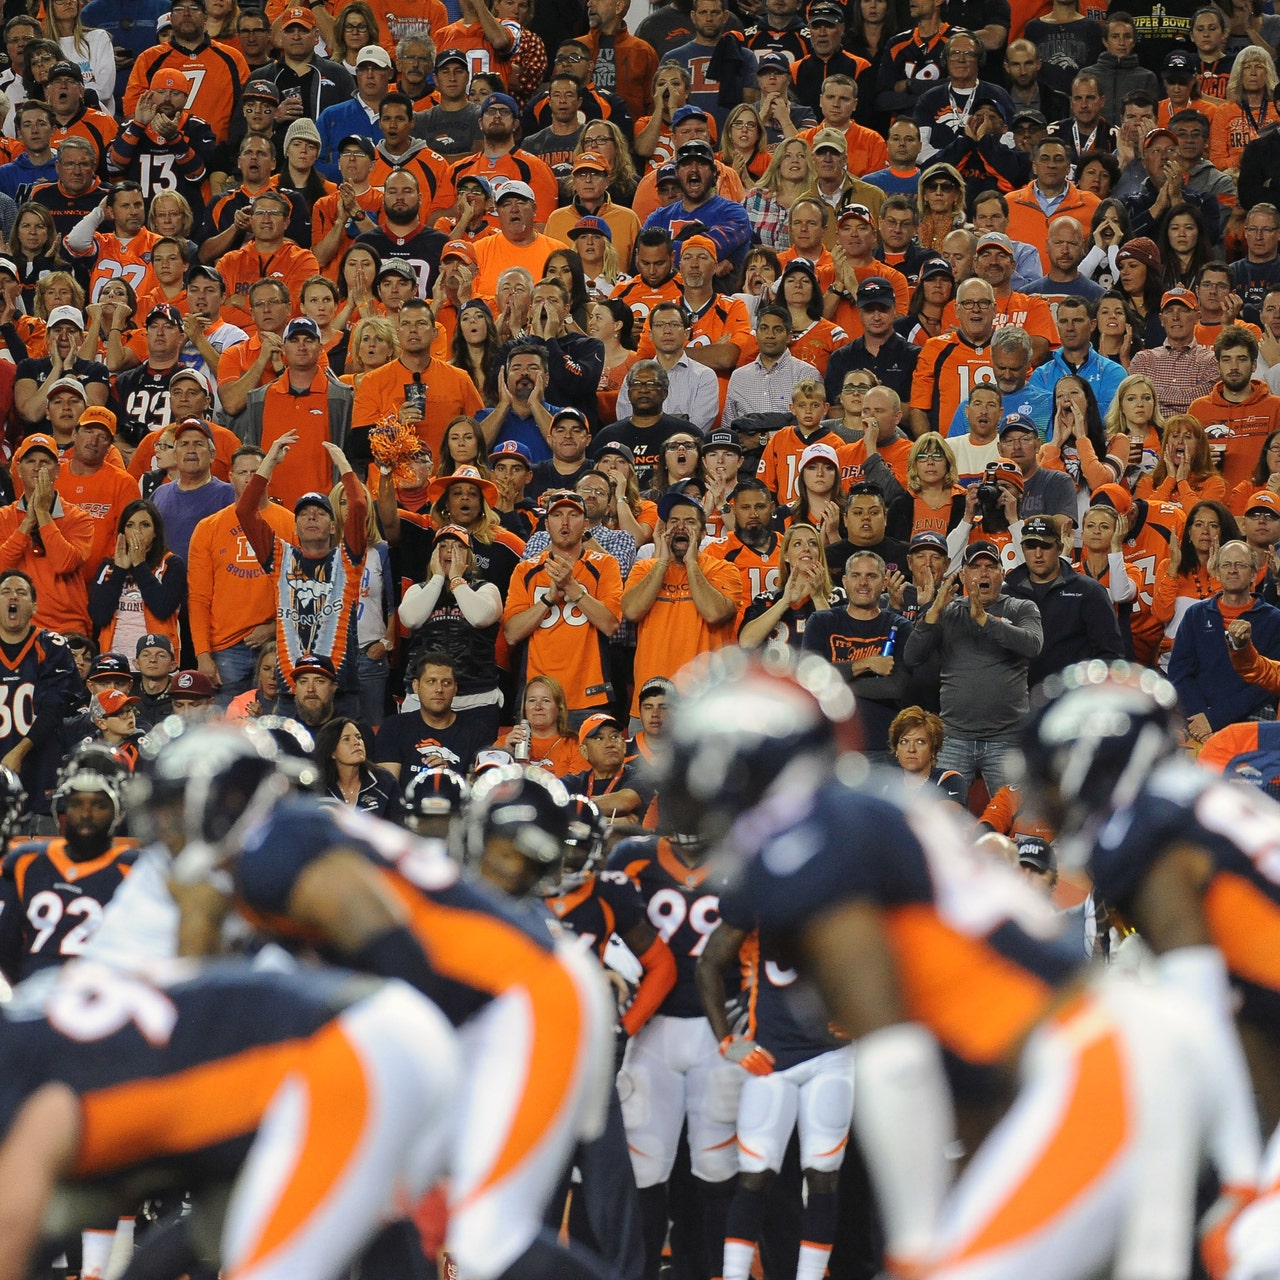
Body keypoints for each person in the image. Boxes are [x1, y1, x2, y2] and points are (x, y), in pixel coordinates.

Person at [236, 432, 366, 717]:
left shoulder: (348, 559)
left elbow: (357, 506)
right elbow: (245, 511)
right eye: (304, 513)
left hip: (340, 686)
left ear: (334, 526)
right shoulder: (280, 557)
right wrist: (269, 460)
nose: (311, 517)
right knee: (292, 761)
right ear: (295, 526)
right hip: (290, 685)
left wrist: (343, 465)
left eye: (319, 514)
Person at [901, 539, 1043, 794]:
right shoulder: (949, 612)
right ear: (964, 574)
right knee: (941, 817)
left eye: (990, 566)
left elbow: (1033, 645)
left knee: (1018, 821)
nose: (984, 572)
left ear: (1002, 573)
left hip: (1008, 738)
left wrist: (984, 620)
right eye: (976, 566)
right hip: (955, 737)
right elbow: (912, 657)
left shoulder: (1021, 607)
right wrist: (933, 611)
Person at [0, 745, 134, 982]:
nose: (86, 813)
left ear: (118, 810)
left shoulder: (134, 871)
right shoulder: (26, 862)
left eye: (99, 805)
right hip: (30, 997)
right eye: (77, 803)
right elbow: (6, 954)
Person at [622, 489, 741, 716]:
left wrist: (691, 563)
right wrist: (662, 562)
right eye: (674, 521)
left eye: (689, 522)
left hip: (706, 705)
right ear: (664, 530)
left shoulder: (723, 569)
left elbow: (714, 613)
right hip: (651, 704)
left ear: (703, 532)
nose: (680, 527)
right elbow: (631, 611)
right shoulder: (644, 568)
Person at [801, 548, 911, 758]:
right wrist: (866, 664)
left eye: (871, 576)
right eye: (856, 575)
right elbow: (810, 677)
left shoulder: (900, 626)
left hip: (883, 748)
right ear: (844, 581)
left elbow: (895, 688)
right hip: (830, 747)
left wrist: (832, 686)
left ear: (884, 582)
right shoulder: (822, 621)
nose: (863, 582)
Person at [1168, 538, 1280, 739]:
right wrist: (1200, 718)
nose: (1233, 570)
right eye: (1226, 565)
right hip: (1198, 715)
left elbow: (1267, 687)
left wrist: (1214, 719)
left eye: (1241, 565)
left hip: (1252, 715)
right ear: (1217, 572)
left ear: (1254, 573)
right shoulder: (1195, 615)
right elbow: (1180, 673)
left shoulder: (1273, 620)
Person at [1003, 513, 1124, 687]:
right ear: (1022, 549)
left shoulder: (1088, 592)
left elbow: (1110, 655)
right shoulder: (1006, 593)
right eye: (1031, 546)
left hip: (1070, 704)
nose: (1038, 554)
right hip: (1017, 705)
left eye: (1045, 546)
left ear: (1059, 548)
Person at [0, 570, 79, 815]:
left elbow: (53, 710)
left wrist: (19, 751)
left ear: (34, 607)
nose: (13, 596)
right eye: (5, 592)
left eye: (21, 593)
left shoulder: (51, 646)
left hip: (39, 771)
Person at [0, 434, 94, 635]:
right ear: (17, 469)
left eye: (44, 462)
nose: (37, 467)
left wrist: (42, 514)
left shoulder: (79, 519)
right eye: (30, 461)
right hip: (16, 628)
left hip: (68, 628)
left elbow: (64, 563)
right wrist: (27, 523)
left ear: (57, 470)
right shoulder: (3, 517)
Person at [121, 0, 249, 143]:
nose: (187, 14)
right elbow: (133, 111)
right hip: (160, 152)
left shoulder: (232, 58)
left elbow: (246, 108)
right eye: (179, 9)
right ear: (171, 16)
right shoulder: (149, 58)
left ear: (206, 17)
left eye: (194, 8)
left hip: (216, 154)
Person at [87, 496, 185, 661]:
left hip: (157, 665)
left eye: (145, 525)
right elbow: (98, 616)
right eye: (130, 525)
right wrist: (119, 570)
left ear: (155, 533)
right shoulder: (109, 568)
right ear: (122, 532)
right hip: (114, 664)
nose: (137, 531)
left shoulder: (172, 564)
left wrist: (139, 565)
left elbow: (162, 609)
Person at [376, 649, 500, 777]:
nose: (439, 689)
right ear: (416, 686)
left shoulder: (477, 732)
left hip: (457, 797)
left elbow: (478, 792)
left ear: (455, 688)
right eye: (431, 682)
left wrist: (449, 777)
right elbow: (389, 789)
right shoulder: (394, 727)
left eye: (446, 683)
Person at [1190, 323, 1280, 496]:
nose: (1234, 366)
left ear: (1254, 365)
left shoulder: (1275, 406)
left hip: (1262, 507)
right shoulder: (1198, 409)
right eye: (1226, 359)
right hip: (1212, 508)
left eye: (1241, 359)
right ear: (1218, 365)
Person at [1129, 286, 1220, 416]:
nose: (1175, 317)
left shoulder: (1210, 360)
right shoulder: (1143, 360)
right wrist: (1188, 398)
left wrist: (1153, 394)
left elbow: (1208, 400)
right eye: (1169, 311)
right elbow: (1134, 401)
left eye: (1183, 310)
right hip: (1153, 432)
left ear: (1197, 317)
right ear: (1161, 319)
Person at [314, 715, 400, 815]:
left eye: (358, 737)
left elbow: (399, 824)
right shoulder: (318, 789)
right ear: (332, 752)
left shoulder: (385, 781)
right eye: (346, 739)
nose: (356, 742)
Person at [886, 704, 965, 803]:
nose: (911, 749)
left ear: (932, 749)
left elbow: (942, 816)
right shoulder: (887, 786)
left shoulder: (949, 780)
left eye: (920, 742)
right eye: (904, 742)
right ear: (896, 749)